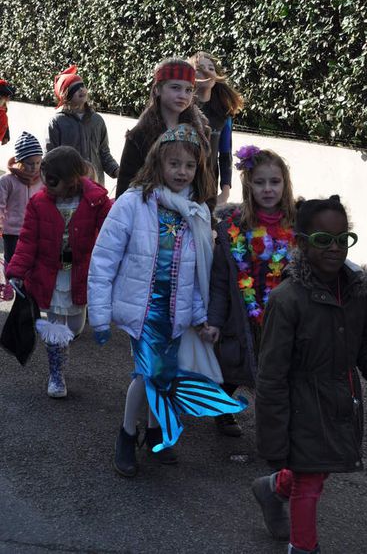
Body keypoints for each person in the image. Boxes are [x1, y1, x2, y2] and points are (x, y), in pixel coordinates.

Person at [87, 124, 247, 478]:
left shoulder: (195, 213)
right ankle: (128, 435)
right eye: (174, 164)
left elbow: (197, 274)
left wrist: (203, 315)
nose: (181, 172)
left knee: (165, 374)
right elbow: (104, 259)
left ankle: (156, 433)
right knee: (149, 374)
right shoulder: (133, 203)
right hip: (142, 312)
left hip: (176, 315)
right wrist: (98, 314)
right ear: (157, 163)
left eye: (189, 166)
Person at [252, 195, 367, 554]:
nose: (335, 248)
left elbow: (364, 346)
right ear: (302, 242)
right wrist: (274, 441)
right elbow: (271, 377)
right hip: (299, 405)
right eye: (324, 240)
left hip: (339, 401)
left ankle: (273, 488)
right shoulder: (287, 300)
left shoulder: (357, 293)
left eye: (343, 239)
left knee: (315, 469)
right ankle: (303, 547)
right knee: (309, 484)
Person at [6, 146, 112, 397]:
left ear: (73, 179)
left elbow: (112, 234)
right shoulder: (38, 203)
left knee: (75, 326)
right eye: (45, 181)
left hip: (80, 275)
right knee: (55, 328)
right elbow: (27, 240)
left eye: (53, 182)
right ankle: (56, 375)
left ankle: (62, 347)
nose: (47, 187)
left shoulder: (96, 201)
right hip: (49, 276)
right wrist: (16, 271)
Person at [207, 146, 296, 436]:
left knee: (277, 371)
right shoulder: (233, 229)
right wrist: (216, 321)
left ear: (285, 184)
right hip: (241, 313)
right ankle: (221, 407)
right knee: (233, 370)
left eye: (275, 182)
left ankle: (274, 427)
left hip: (281, 316)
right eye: (260, 182)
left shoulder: (297, 227)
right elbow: (220, 281)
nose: (268, 189)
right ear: (248, 186)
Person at [116, 58, 209, 198]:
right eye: (175, 88)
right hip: (147, 211)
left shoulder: (200, 133)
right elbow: (125, 187)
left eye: (188, 90)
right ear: (158, 89)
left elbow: (208, 181)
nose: (183, 96)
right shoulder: (139, 135)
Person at [46, 65, 119, 187]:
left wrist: (116, 170)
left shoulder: (97, 120)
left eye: (82, 86)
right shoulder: (56, 122)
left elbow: (104, 153)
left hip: (95, 187)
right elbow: (49, 157)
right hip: (68, 188)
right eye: (75, 88)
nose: (81, 90)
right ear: (65, 95)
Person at [189, 51, 244, 204]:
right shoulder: (183, 108)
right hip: (181, 183)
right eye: (199, 69)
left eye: (211, 68)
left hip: (209, 186)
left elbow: (225, 154)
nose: (206, 72)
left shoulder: (223, 113)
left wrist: (225, 192)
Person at [0, 132, 44, 266]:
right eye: (30, 163)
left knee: (33, 263)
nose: (35, 167)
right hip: (12, 232)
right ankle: (9, 285)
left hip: (36, 230)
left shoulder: (43, 180)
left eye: (38, 162)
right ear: (20, 161)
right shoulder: (7, 180)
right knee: (12, 262)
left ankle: (27, 286)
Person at [0, 79, 16, 145]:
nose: (8, 99)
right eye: (6, 96)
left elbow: (4, 122)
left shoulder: (3, 109)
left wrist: (6, 135)